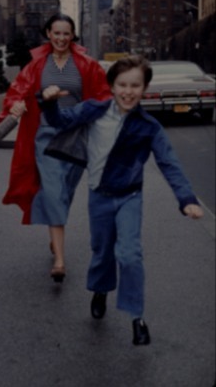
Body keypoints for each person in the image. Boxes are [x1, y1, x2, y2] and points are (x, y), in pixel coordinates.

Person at [41, 55, 203, 345]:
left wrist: (186, 198)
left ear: (144, 89)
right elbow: (59, 121)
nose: (129, 91)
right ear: (113, 87)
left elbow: (169, 163)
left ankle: (136, 316)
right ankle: (101, 289)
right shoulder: (94, 111)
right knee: (102, 252)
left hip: (130, 197)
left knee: (130, 255)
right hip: (99, 197)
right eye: (123, 85)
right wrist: (50, 100)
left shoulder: (149, 126)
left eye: (136, 86)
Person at [0, 13, 111, 282]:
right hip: (45, 136)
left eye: (66, 33)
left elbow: (103, 96)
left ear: (72, 36)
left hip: (77, 136)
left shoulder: (86, 64)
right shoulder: (37, 65)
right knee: (53, 190)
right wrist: (15, 104)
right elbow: (18, 90)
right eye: (56, 33)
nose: (61, 38)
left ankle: (55, 231)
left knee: (66, 191)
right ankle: (59, 260)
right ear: (48, 33)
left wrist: (82, 112)